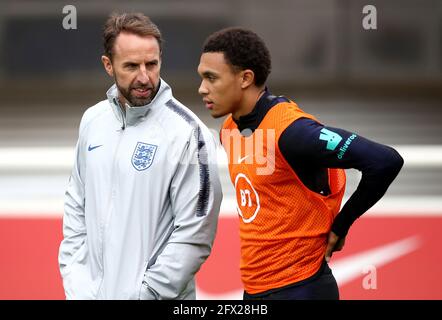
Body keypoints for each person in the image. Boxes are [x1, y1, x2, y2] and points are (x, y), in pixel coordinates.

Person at [197, 27, 403, 300]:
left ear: (246, 78)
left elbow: (385, 161)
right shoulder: (229, 129)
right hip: (255, 289)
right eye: (202, 78)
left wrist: (342, 224)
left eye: (211, 78)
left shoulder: (293, 131)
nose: (202, 88)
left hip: (302, 288)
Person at [58, 12, 222, 300]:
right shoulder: (93, 121)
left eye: (152, 64)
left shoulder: (189, 134)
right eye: (131, 66)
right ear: (108, 65)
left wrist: (146, 294)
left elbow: (195, 235)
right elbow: (76, 205)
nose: (144, 77)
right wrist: (77, 282)